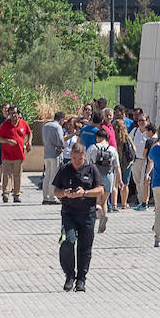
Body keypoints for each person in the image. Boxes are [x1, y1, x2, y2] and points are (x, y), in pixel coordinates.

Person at [52, 142, 104, 291]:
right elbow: (56, 190)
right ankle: (69, 275)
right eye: (74, 158)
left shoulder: (91, 169)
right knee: (68, 241)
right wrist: (64, 193)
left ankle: (81, 279)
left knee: (85, 247)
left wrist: (85, 193)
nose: (77, 161)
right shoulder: (65, 169)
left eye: (80, 159)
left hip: (87, 214)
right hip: (69, 213)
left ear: (84, 157)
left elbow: (100, 190)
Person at [0, 103, 32, 203]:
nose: (13, 115)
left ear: (18, 114)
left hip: (19, 155)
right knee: (7, 174)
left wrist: (29, 142)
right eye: (11, 113)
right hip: (7, 155)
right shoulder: (5, 125)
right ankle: (6, 193)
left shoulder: (24, 124)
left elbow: (29, 132)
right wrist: (7, 141)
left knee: (17, 175)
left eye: (15, 113)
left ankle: (16, 194)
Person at [86, 128, 119, 233]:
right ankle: (103, 218)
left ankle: (100, 217)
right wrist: (120, 181)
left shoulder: (92, 148)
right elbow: (117, 167)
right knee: (104, 201)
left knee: (96, 201)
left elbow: (87, 164)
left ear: (98, 137)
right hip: (109, 176)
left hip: (96, 177)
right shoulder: (112, 149)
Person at [41, 112, 66, 205]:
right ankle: (52, 197)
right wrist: (62, 146)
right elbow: (60, 139)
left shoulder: (45, 126)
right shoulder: (57, 127)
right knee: (54, 176)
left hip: (47, 153)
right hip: (55, 154)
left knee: (47, 175)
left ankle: (45, 196)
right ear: (61, 119)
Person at [131, 121, 157, 210]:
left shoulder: (149, 141)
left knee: (146, 183)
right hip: (157, 164)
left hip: (148, 163)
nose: (146, 133)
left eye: (147, 131)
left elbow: (144, 154)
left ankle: (144, 203)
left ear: (151, 131)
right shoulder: (158, 140)